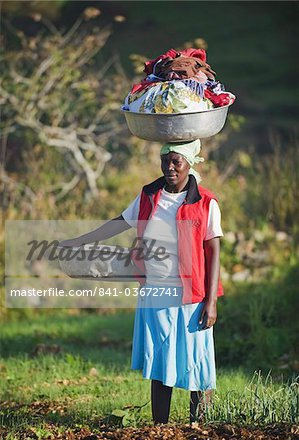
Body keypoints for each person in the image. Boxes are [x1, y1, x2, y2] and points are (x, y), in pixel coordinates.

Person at [60, 139, 224, 425]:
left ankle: (200, 426)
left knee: (197, 360)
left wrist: (211, 301)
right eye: (166, 161)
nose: (170, 167)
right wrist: (77, 241)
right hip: (156, 291)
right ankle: (160, 427)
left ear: (189, 164)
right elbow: (118, 222)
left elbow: (213, 253)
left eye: (177, 161)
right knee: (161, 360)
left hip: (192, 295)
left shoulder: (205, 203)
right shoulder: (149, 195)